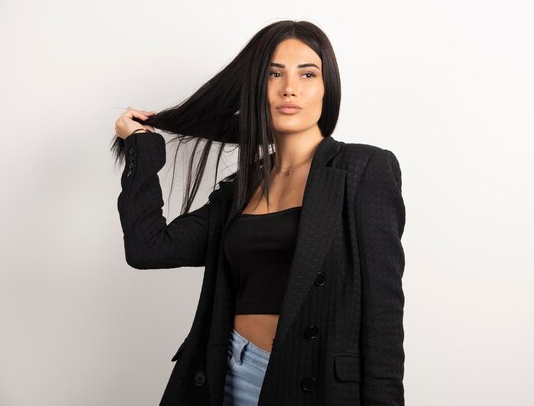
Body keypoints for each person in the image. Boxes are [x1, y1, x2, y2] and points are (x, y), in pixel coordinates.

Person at [112, 20, 406, 406]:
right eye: (274, 73)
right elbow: (148, 248)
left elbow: (383, 318)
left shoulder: (363, 170)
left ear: (326, 87)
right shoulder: (243, 187)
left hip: (311, 384)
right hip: (226, 374)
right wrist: (141, 149)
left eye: (307, 73)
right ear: (257, 87)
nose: (290, 88)